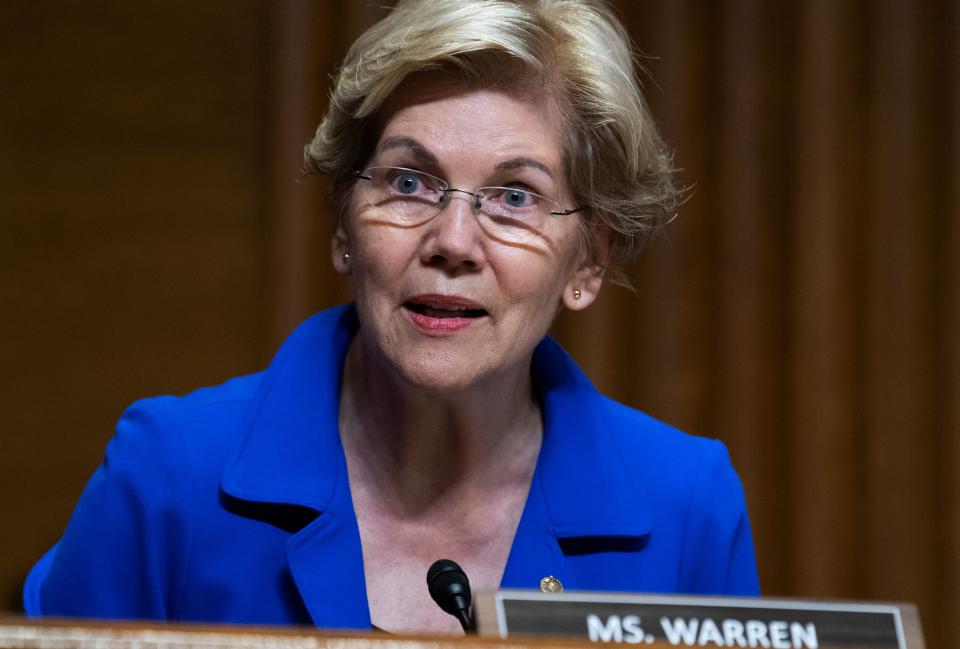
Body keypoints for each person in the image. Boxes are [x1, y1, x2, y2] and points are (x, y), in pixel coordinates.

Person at [24, 0, 759, 634]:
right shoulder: (170, 476)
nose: (453, 243)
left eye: (515, 197)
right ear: (343, 224)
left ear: (588, 261)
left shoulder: (686, 507)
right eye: (410, 182)